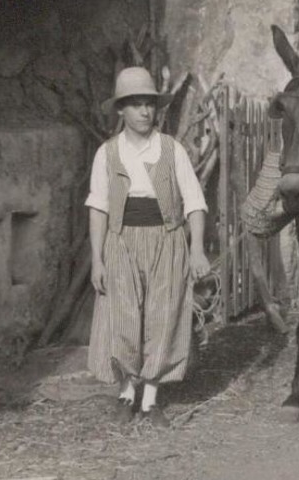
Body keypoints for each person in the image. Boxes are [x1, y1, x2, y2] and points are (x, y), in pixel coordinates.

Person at [86, 66, 210, 427]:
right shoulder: (107, 154)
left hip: (167, 240)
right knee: (122, 316)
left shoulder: (172, 151)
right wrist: (98, 259)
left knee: (164, 314)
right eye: (135, 105)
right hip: (121, 241)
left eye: (149, 105)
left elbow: (194, 203)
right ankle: (127, 393)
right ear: (121, 111)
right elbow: (98, 208)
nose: (144, 112)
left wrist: (198, 249)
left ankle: (151, 399)